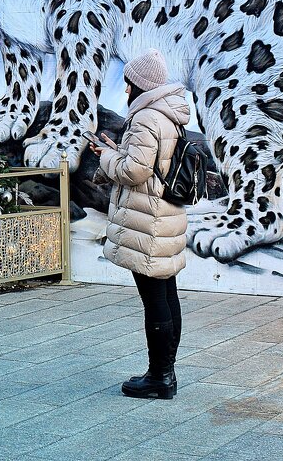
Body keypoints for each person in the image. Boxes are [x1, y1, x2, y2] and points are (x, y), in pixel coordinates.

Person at [88, 48, 190, 400]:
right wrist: (119, 150)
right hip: (164, 214)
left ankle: (159, 376)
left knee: (154, 297)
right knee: (167, 292)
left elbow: (134, 170)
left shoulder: (147, 118)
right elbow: (148, 162)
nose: (125, 88)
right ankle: (167, 372)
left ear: (137, 84)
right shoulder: (169, 115)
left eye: (128, 81)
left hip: (147, 219)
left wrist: (107, 156)